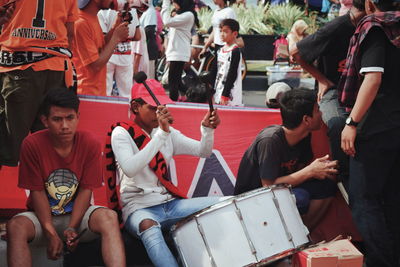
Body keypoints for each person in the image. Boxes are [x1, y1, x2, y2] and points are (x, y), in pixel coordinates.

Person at [108, 79, 222, 267]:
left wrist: (207, 130)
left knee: (223, 203)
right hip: (138, 208)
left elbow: (204, 151)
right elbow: (130, 168)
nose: (159, 112)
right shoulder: (122, 133)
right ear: (136, 107)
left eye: (162, 106)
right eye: (153, 108)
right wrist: (161, 134)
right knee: (148, 227)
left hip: (170, 203)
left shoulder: (167, 132)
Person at [6, 88, 126, 267]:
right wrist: (50, 232)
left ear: (78, 117)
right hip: (42, 217)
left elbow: (86, 190)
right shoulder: (32, 144)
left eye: (70, 118)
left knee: (109, 217)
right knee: (15, 226)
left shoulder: (90, 143)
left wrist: (72, 226)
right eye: (57, 119)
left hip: (79, 216)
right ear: (44, 121)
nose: (64, 126)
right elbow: (37, 192)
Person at [338, 0, 400, 265]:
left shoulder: (374, 27)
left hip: (376, 127)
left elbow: (373, 78)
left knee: (364, 201)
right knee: (392, 199)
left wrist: (351, 122)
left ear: (370, 3)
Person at [234, 89, 338, 231]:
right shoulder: (270, 140)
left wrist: (321, 170)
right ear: (306, 120)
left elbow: (298, 172)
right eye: (317, 110)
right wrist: (309, 171)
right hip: (254, 199)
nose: (321, 114)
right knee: (299, 197)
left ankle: (302, 234)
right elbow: (268, 187)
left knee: (327, 185)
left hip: (283, 189)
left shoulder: (305, 136)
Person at [289, 0, 366, 188]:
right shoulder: (336, 28)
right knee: (337, 123)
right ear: (370, 7)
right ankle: (343, 178)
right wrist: (322, 80)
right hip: (333, 90)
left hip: (359, 90)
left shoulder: (374, 27)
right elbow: (295, 53)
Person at [0, 0, 78, 167]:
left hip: (19, 67)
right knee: (47, 153)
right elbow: (70, 32)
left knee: (8, 149)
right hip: (56, 70)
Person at [72, 0, 129, 96]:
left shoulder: (92, 17)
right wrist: (116, 38)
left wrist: (115, 27)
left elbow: (100, 48)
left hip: (97, 91)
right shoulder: (81, 23)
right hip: (87, 93)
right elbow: (95, 65)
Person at [98, 3, 141, 97]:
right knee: (126, 94)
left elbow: (103, 39)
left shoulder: (103, 10)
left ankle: (105, 111)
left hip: (108, 54)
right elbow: (138, 36)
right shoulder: (132, 10)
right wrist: (125, 38)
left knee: (106, 91)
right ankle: (126, 111)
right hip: (126, 53)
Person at [161, 0, 199, 101]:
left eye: (174, 2)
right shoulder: (183, 15)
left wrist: (165, 3)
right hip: (176, 52)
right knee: (177, 82)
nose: (173, 4)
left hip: (179, 52)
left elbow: (167, 22)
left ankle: (172, 103)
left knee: (172, 81)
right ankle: (196, 96)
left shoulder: (188, 15)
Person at [209, 19, 243, 106]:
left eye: (225, 32)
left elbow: (232, 73)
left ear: (234, 34)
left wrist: (225, 94)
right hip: (217, 90)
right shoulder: (220, 50)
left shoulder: (235, 51)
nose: (222, 34)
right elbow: (214, 70)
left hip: (230, 92)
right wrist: (211, 88)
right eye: (221, 31)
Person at [139, 0, 158, 79]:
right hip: (143, 47)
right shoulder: (145, 12)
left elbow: (149, 30)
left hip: (148, 47)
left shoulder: (150, 11)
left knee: (149, 76)